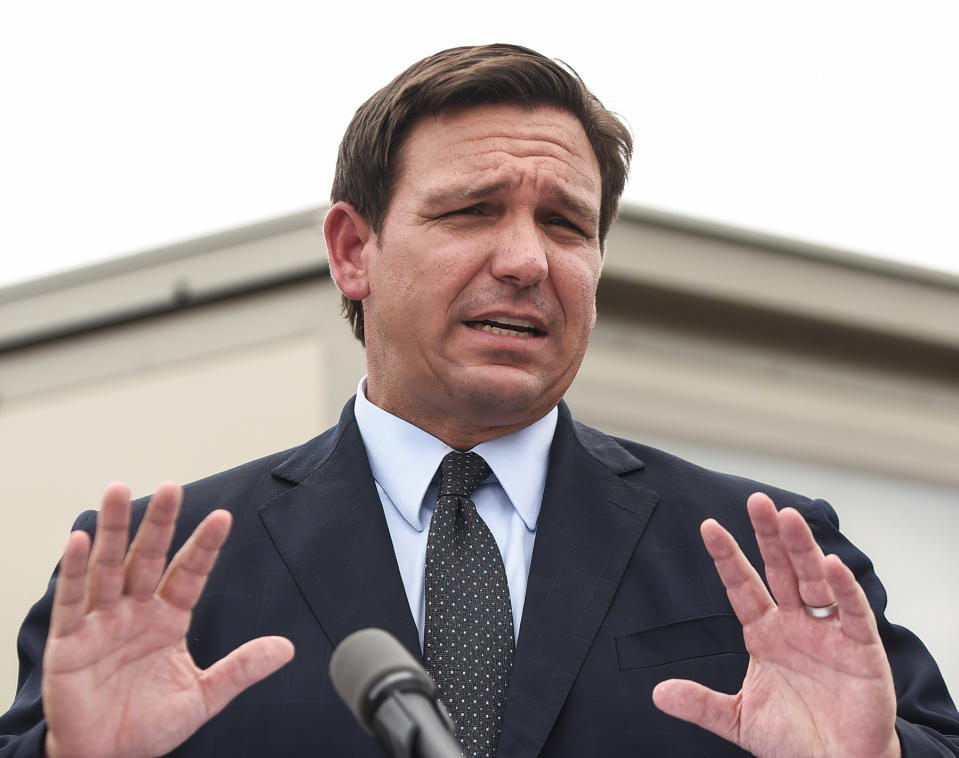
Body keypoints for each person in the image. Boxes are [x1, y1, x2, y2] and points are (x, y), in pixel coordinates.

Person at [1, 43, 957, 758]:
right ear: (353, 249)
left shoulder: (764, 551)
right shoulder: (156, 576)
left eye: (564, 224)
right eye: (471, 212)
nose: (526, 260)